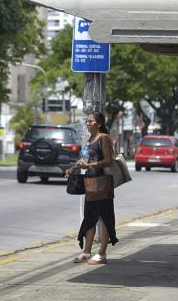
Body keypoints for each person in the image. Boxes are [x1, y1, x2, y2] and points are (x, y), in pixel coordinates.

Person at [66, 112, 118, 265]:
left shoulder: (104, 138)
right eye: (86, 121)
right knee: (89, 218)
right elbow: (83, 158)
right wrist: (72, 169)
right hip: (91, 184)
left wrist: (89, 165)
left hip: (103, 183)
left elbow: (108, 161)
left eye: (91, 121)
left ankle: (101, 254)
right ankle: (87, 252)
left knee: (105, 218)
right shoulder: (90, 140)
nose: (87, 123)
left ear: (99, 123)